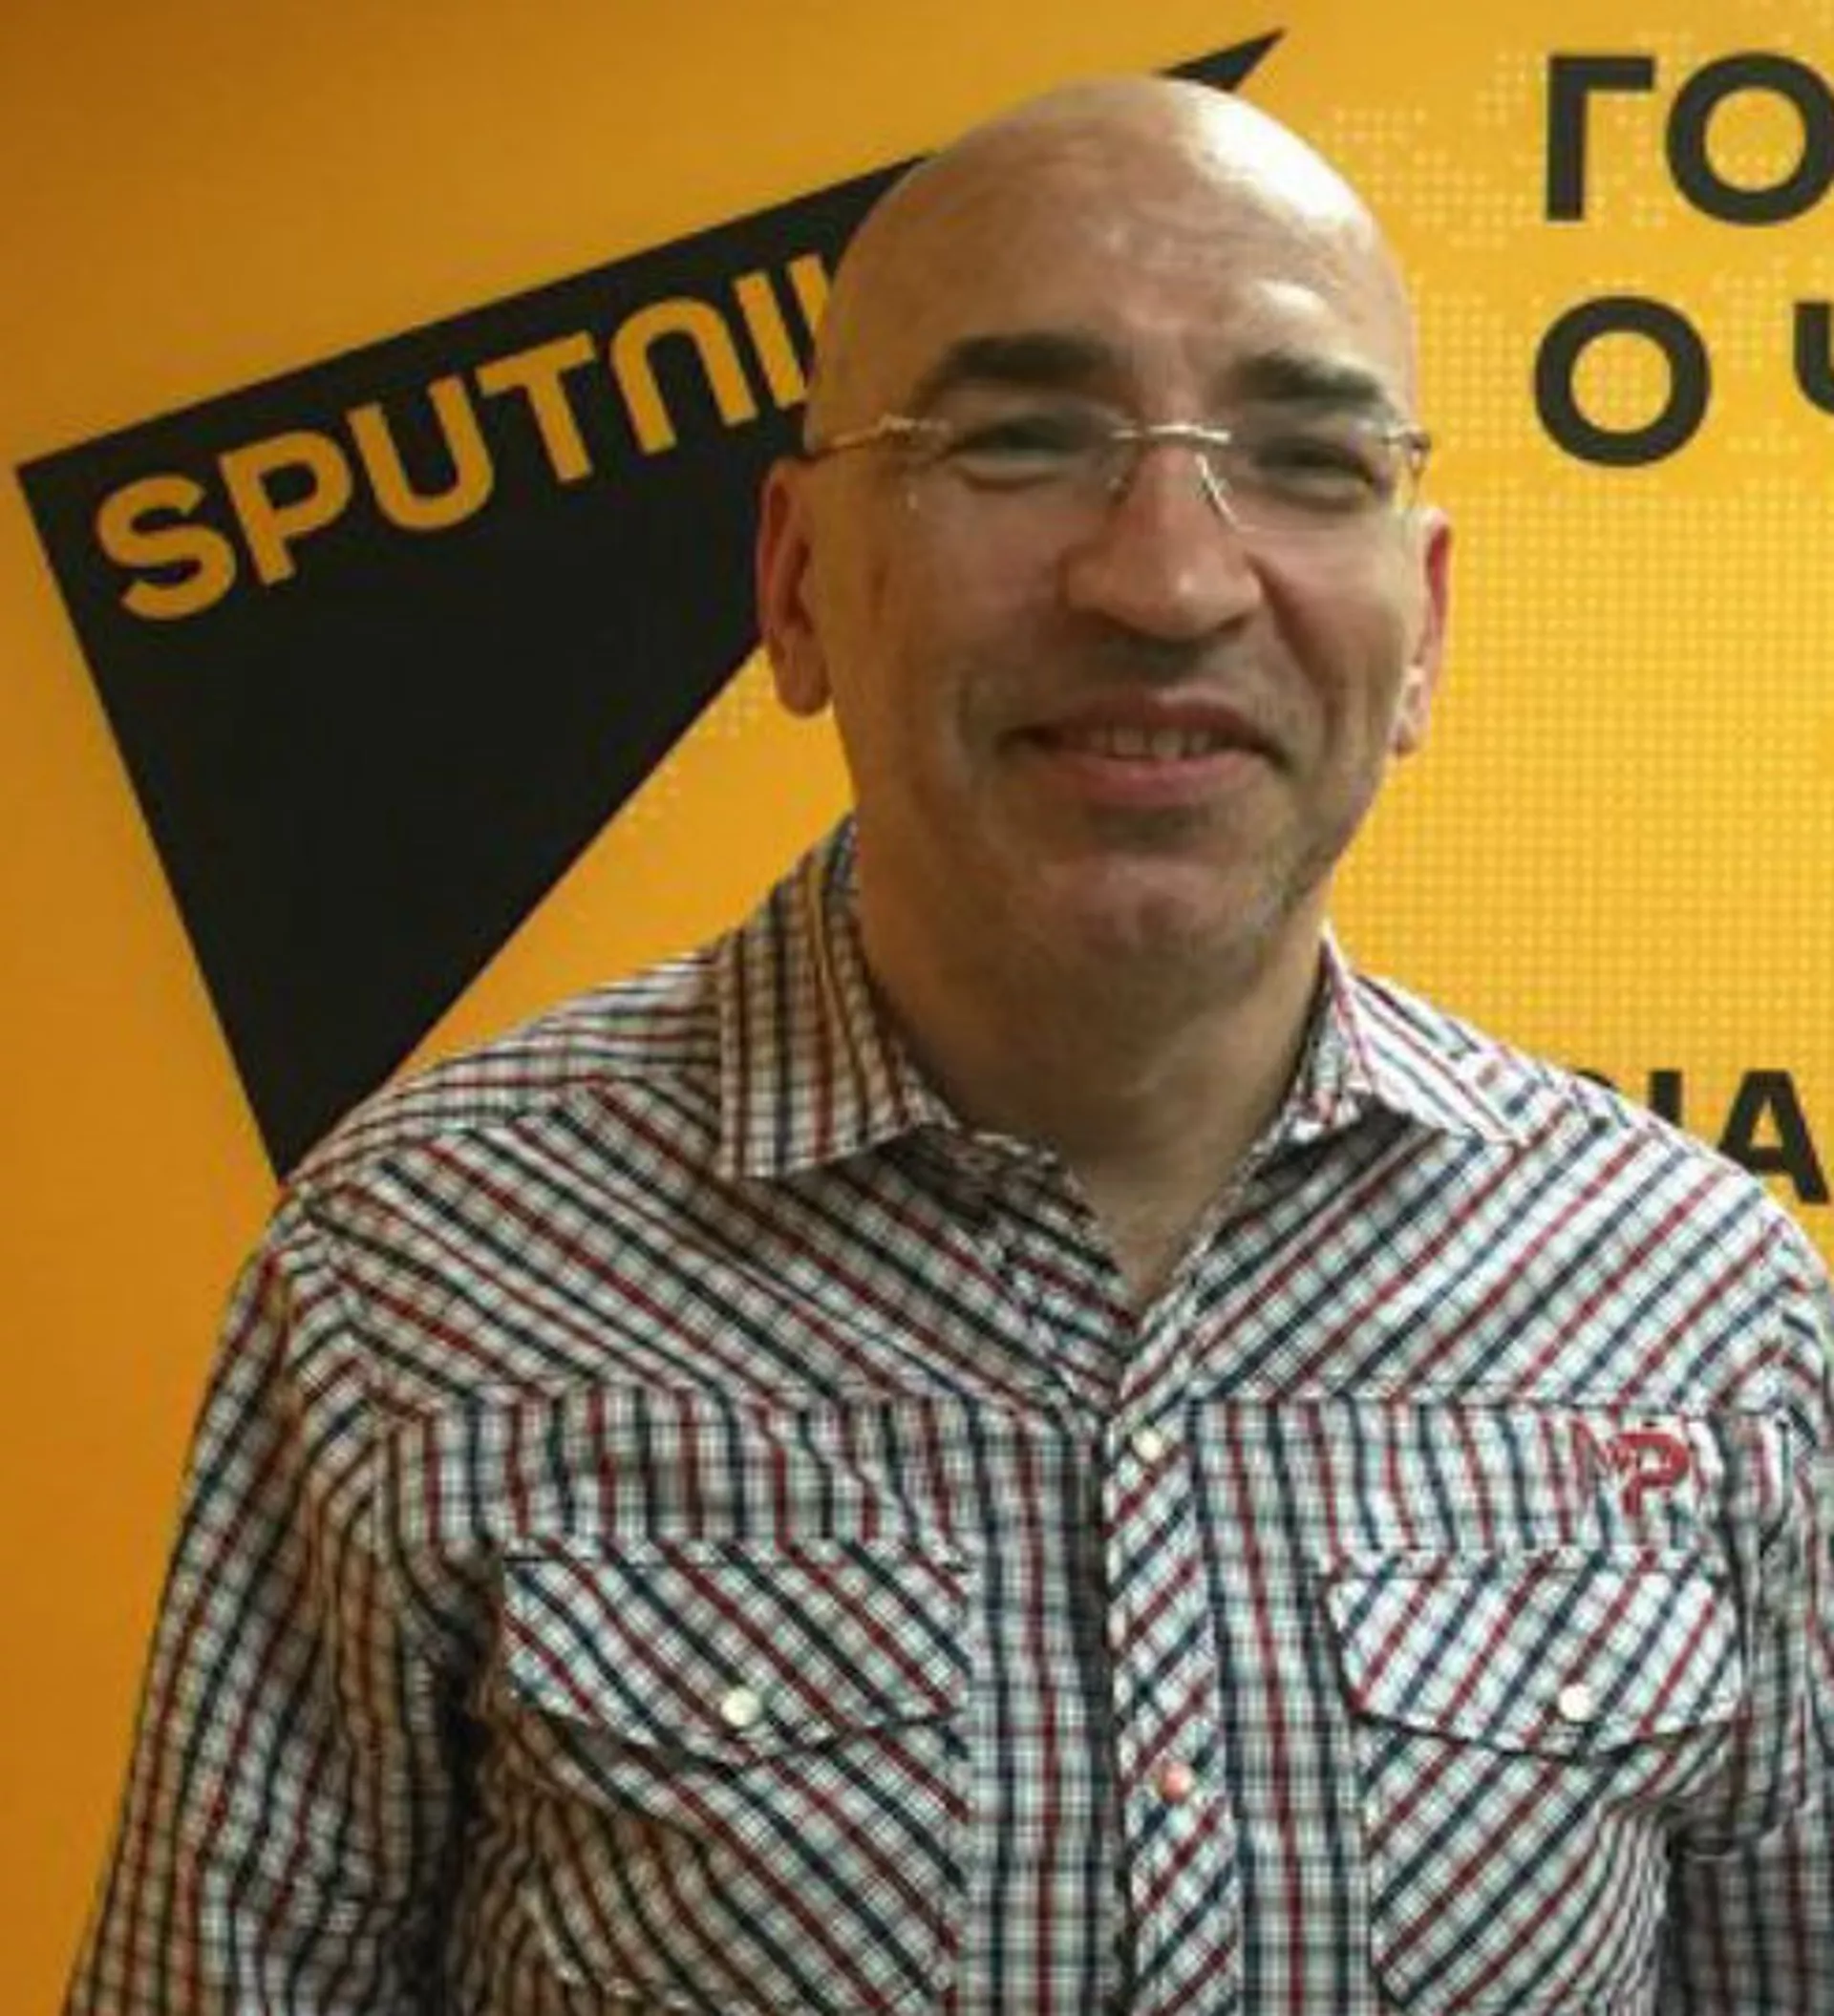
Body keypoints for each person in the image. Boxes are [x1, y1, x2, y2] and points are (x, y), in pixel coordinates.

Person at [68, 75, 1831, 2016]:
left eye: (1306, 458)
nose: (1168, 578)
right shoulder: (412, 1278)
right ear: (797, 580)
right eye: (1019, 441)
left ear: (1419, 631)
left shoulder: (1703, 1308)